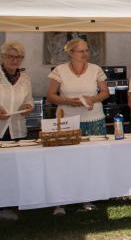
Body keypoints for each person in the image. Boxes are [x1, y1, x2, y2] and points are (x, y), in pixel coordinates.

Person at [46, 37, 108, 214]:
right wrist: (67, 101)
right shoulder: (60, 70)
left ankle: (87, 197)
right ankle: (61, 201)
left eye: (87, 50)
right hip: (68, 122)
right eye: (81, 51)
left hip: (94, 121)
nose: (85, 54)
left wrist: (92, 99)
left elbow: (105, 92)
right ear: (71, 53)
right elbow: (50, 94)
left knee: (90, 161)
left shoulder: (96, 69)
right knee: (65, 161)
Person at [0, 41, 32, 221]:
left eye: (18, 57)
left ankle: (11, 203)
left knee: (15, 168)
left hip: (17, 129)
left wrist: (28, 107)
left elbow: (29, 101)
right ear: (2, 57)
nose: (15, 60)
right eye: (10, 56)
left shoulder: (25, 78)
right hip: (1, 129)